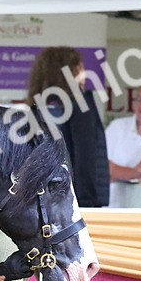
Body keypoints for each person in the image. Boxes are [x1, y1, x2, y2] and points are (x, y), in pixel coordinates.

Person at [26, 47, 109, 207]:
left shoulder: (37, 106)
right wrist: (86, 202)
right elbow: (86, 155)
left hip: (43, 198)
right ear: (75, 71)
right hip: (74, 200)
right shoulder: (81, 103)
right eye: (81, 67)